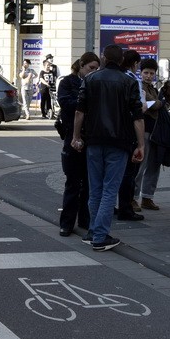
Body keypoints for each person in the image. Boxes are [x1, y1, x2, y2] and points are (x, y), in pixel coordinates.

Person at [71, 44, 145, 252]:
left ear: (104, 58)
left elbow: (79, 112)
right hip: (118, 142)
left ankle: (94, 231)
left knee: (95, 190)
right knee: (110, 190)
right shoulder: (128, 82)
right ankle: (100, 236)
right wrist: (141, 144)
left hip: (93, 141)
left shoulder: (90, 79)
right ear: (121, 60)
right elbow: (137, 117)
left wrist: (76, 137)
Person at [57, 52, 99, 238]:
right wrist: (84, 102)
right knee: (73, 182)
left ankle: (85, 219)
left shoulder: (96, 83)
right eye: (91, 68)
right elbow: (65, 103)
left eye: (97, 69)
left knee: (89, 183)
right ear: (81, 65)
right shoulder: (68, 82)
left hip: (91, 137)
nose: (93, 72)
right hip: (72, 137)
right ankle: (67, 223)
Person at [117, 49, 145, 219]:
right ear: (134, 63)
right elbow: (139, 108)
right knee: (129, 172)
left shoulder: (105, 76)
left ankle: (112, 206)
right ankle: (125, 208)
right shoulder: (132, 79)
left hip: (111, 130)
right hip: (129, 130)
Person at [135, 58, 166, 211]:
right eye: (145, 72)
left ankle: (147, 197)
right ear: (140, 73)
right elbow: (152, 104)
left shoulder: (152, 88)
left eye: (151, 73)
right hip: (144, 131)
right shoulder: (139, 87)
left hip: (155, 132)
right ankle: (133, 198)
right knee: (140, 166)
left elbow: (155, 103)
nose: (148, 75)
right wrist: (159, 102)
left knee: (154, 165)